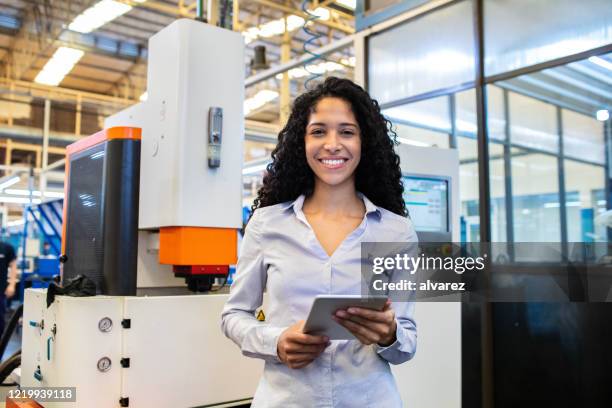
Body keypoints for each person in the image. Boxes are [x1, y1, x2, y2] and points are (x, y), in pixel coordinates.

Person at [221, 77, 417, 407]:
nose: (332, 144)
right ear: (302, 141)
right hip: (287, 399)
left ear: (364, 142)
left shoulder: (396, 233)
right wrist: (277, 340)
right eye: (318, 131)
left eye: (346, 131)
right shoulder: (267, 225)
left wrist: (389, 334)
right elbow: (235, 315)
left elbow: (407, 338)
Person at [0, 240, 17, 335]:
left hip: (0, 290)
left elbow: (13, 266)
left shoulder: (6, 247)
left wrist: (12, 285)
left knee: (0, 321)